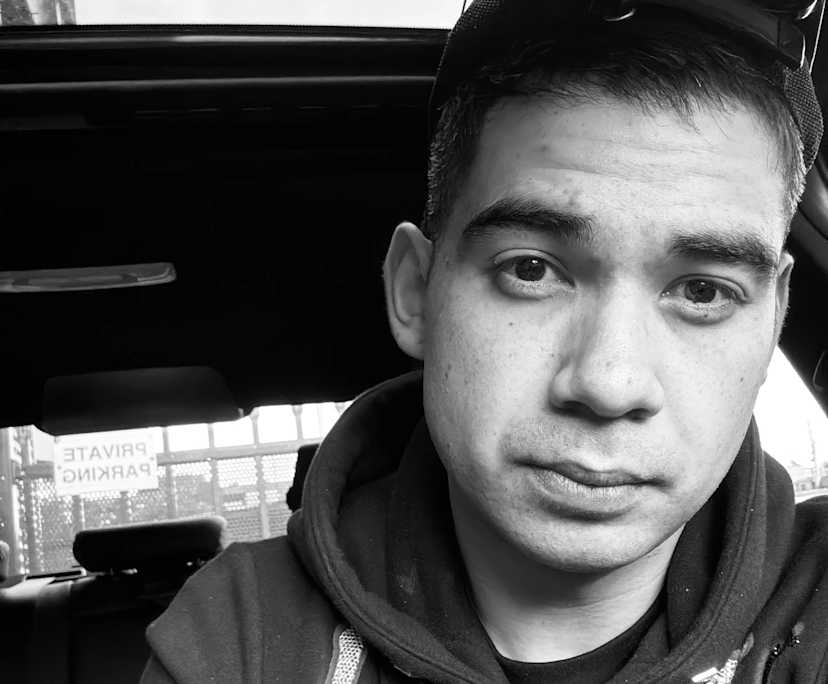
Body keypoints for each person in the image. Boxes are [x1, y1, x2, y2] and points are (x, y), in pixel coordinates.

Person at [140, 2, 828, 682]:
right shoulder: (237, 639)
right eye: (530, 270)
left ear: (774, 320)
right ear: (416, 292)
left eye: (703, 292)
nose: (609, 382)